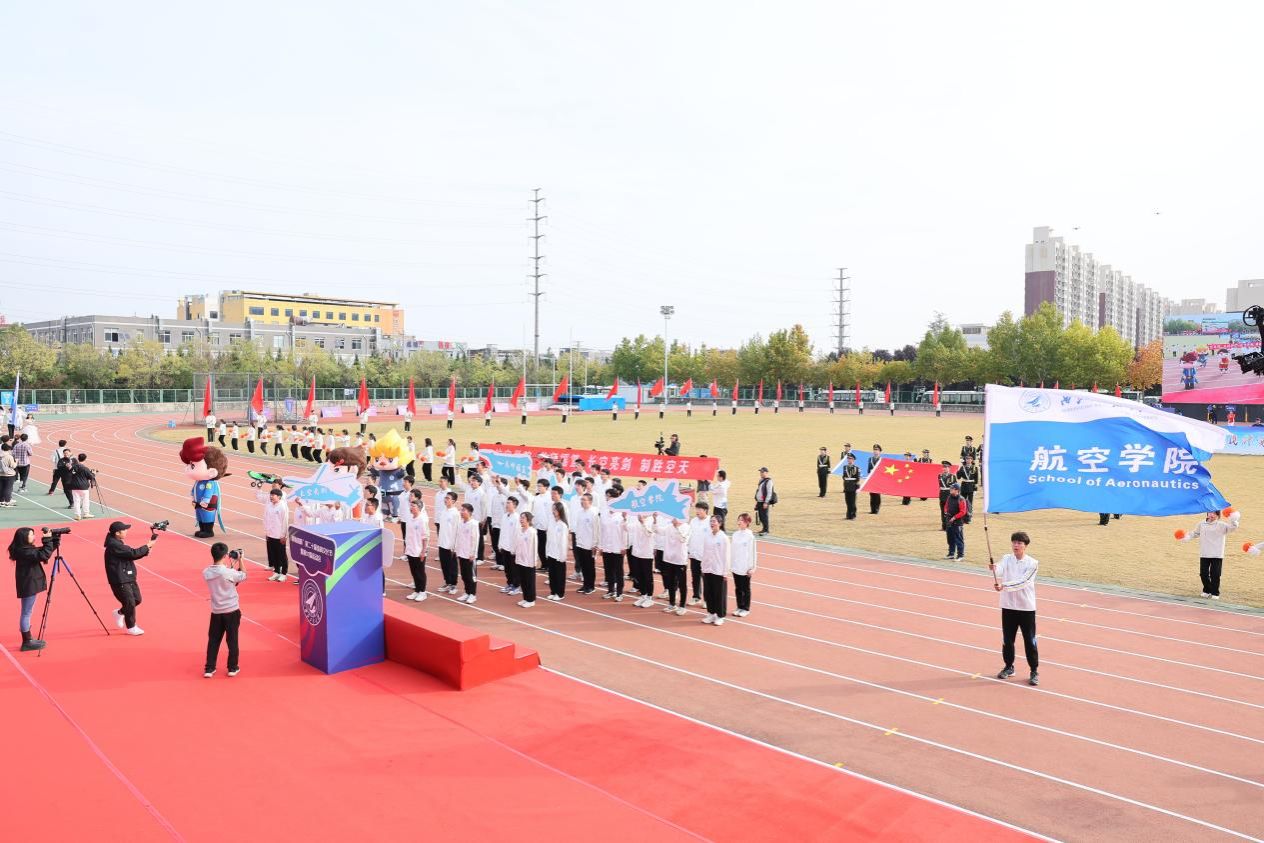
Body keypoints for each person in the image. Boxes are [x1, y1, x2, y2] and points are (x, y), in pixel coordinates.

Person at [992, 531, 1040, 686]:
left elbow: (1023, 582)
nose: (1016, 545)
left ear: (1025, 546)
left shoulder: (1033, 563)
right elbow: (1000, 569)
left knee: (1029, 640)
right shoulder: (1007, 558)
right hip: (1008, 606)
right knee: (1007, 640)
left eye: (1019, 543)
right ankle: (1009, 667)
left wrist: (1003, 585)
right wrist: (994, 568)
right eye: (1014, 542)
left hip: (1026, 608)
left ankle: (1034, 670)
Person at [104, 521, 157, 636]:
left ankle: (119, 613)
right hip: (119, 579)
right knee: (129, 602)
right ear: (117, 533)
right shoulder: (114, 545)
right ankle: (131, 627)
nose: (126, 531)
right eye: (124, 530)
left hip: (128, 576)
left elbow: (130, 555)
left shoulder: (117, 542)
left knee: (137, 600)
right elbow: (132, 553)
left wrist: (146, 550)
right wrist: (147, 546)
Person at [202, 543, 246, 678]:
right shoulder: (228, 572)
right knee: (232, 641)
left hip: (216, 611)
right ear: (225, 555)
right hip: (231, 610)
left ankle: (209, 668)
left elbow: (225, 575)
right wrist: (240, 559)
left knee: (213, 641)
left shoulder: (206, 572)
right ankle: (232, 667)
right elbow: (243, 575)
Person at [10, 527, 55, 651]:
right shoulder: (24, 551)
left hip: (27, 583)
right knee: (26, 612)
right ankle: (26, 641)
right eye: (31, 535)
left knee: (27, 612)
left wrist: (52, 541)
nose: (34, 537)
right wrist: (48, 541)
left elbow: (43, 552)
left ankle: (28, 639)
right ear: (24, 537)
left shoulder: (24, 549)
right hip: (28, 584)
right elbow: (43, 555)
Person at [1180, 509, 1241, 599]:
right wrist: (1186, 536)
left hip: (1217, 554)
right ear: (1207, 513)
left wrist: (1233, 519)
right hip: (1204, 553)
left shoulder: (1221, 525)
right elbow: (1195, 533)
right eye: (1210, 513)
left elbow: (1232, 528)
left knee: (1215, 574)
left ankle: (1215, 593)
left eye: (1214, 513)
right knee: (1203, 574)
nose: (1212, 515)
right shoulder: (1201, 524)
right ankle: (1207, 590)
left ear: (1218, 515)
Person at [700, 515, 730, 626]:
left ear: (720, 523)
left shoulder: (723, 538)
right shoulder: (707, 536)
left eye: (714, 521)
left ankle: (720, 616)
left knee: (719, 594)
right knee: (709, 593)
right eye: (711, 521)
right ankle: (711, 613)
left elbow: (726, 556)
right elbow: (705, 552)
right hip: (708, 569)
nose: (712, 523)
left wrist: (725, 572)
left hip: (719, 570)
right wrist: (703, 566)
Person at [660, 515, 689, 615]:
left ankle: (682, 606)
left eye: (675, 517)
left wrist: (677, 527)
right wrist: (654, 521)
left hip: (680, 560)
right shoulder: (669, 527)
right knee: (671, 583)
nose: (673, 519)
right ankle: (672, 604)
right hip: (669, 559)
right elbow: (658, 531)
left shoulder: (686, 527)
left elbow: (683, 539)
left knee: (682, 584)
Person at [599, 490, 626, 600]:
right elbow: (601, 531)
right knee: (608, 570)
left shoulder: (621, 514)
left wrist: (624, 546)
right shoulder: (604, 513)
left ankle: (619, 592)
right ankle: (610, 590)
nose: (607, 499)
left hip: (618, 547)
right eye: (606, 497)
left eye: (609, 497)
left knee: (618, 571)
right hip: (606, 546)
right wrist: (601, 546)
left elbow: (625, 532)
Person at [259, 487, 289, 582]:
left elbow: (285, 521)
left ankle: (284, 574)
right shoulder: (269, 506)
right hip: (270, 534)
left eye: (273, 495)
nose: (271, 497)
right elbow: (265, 518)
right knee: (274, 554)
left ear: (279, 497)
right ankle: (276, 572)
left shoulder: (283, 506)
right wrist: (267, 532)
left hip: (279, 535)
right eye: (270, 495)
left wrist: (283, 535)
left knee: (282, 555)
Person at [730, 513, 757, 617]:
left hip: (745, 567)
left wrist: (753, 568)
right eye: (739, 519)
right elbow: (732, 551)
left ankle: (746, 608)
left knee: (745, 588)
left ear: (747, 522)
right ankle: (739, 606)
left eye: (742, 520)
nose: (739, 522)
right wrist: (731, 564)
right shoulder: (735, 534)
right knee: (738, 588)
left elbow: (753, 553)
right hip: (736, 566)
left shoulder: (750, 537)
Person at [403, 498, 430, 601]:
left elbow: (425, 537)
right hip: (410, 549)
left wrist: (424, 551)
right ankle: (417, 590)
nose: (411, 508)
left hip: (419, 551)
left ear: (419, 508)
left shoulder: (422, 520)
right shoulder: (410, 518)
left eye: (413, 506)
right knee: (413, 571)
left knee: (420, 572)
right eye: (411, 505)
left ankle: (422, 592)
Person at [572, 493, 599, 594]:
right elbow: (578, 528)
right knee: (583, 565)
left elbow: (596, 530)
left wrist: (595, 544)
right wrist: (577, 541)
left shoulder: (594, 513)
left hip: (590, 545)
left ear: (590, 501)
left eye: (584, 500)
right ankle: (585, 585)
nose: (582, 502)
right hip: (580, 543)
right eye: (581, 500)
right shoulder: (580, 512)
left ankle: (591, 586)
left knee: (590, 566)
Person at [545, 501, 570, 601]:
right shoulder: (551, 522)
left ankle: (560, 593)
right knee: (552, 574)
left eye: (555, 509)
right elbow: (548, 538)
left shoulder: (563, 525)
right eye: (553, 509)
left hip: (559, 555)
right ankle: (553, 591)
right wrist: (547, 551)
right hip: (551, 552)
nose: (553, 511)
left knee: (559, 575)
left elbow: (563, 542)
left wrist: (562, 556)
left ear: (560, 511)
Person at [454, 503, 479, 604]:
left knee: (471, 575)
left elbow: (475, 540)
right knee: (464, 575)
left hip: (469, 555)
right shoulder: (460, 523)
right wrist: (457, 549)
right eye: (461, 510)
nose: (461, 512)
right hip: (461, 553)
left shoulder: (474, 524)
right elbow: (458, 537)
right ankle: (467, 592)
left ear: (469, 512)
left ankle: (472, 594)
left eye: (463, 510)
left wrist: (473, 553)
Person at [628, 514, 656, 607]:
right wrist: (624, 519)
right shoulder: (637, 520)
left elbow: (649, 533)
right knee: (639, 575)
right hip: (637, 552)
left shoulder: (651, 520)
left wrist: (643, 523)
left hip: (646, 553)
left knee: (647, 576)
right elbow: (627, 528)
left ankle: (649, 597)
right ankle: (643, 595)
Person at [687, 501, 710, 605]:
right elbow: (689, 535)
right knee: (695, 577)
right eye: (696, 509)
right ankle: (696, 596)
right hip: (694, 554)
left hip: (705, 556)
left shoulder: (710, 521)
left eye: (699, 509)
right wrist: (688, 549)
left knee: (706, 578)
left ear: (705, 510)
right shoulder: (693, 521)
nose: (697, 511)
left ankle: (707, 599)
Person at [436, 491, 460, 594]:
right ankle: (447, 582)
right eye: (445, 498)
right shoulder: (444, 511)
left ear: (453, 501)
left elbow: (457, 530)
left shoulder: (455, 514)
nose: (445, 500)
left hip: (450, 544)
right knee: (444, 564)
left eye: (448, 498)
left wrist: (454, 545)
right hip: (442, 542)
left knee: (452, 565)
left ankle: (453, 585)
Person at [498, 495, 521, 596]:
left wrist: (514, 548)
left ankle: (516, 586)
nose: (506, 505)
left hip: (512, 548)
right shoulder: (504, 516)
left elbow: (516, 534)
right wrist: (500, 544)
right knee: (507, 568)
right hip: (504, 546)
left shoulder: (517, 517)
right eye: (506, 503)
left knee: (514, 568)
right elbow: (502, 531)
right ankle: (510, 583)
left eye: (509, 503)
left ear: (514, 505)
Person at [515, 511, 538, 607]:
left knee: (529, 581)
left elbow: (534, 547)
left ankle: (531, 600)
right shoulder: (519, 531)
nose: (521, 520)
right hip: (521, 560)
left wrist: (534, 561)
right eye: (520, 518)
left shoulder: (532, 532)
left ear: (528, 520)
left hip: (529, 561)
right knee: (523, 580)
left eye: (523, 518)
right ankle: (525, 598)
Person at [67, 452, 95, 521]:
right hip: (83, 486)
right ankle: (86, 513)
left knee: (76, 501)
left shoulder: (73, 467)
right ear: (85, 459)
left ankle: (78, 515)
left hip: (74, 486)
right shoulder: (85, 468)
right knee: (85, 500)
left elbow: (70, 474)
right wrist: (93, 473)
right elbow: (90, 477)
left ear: (78, 458)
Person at [943, 484, 968, 560]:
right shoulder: (949, 497)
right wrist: (946, 511)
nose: (950, 489)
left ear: (957, 490)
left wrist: (954, 517)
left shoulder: (961, 499)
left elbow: (963, 512)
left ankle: (960, 555)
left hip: (957, 522)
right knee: (950, 538)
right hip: (949, 520)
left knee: (958, 539)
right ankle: (951, 553)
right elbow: (946, 506)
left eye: (952, 489)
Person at [956, 455, 979, 519]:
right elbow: (958, 477)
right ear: (965, 460)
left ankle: (969, 516)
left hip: (971, 486)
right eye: (967, 459)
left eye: (970, 459)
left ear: (972, 460)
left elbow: (976, 479)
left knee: (970, 502)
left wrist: (975, 489)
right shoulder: (962, 468)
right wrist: (958, 470)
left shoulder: (975, 468)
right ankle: (962, 515)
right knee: (962, 501)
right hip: (964, 486)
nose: (968, 460)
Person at [754, 467, 775, 535]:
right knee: (761, 516)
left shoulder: (769, 481)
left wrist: (766, 502)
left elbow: (769, 493)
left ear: (766, 473)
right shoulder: (761, 480)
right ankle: (763, 529)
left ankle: (766, 530)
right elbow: (759, 491)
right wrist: (757, 501)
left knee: (764, 516)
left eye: (762, 472)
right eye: (760, 472)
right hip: (759, 501)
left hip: (764, 502)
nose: (761, 473)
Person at [841, 453, 861, 520]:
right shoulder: (845, 467)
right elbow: (844, 476)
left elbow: (858, 478)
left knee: (852, 502)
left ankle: (853, 515)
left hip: (853, 486)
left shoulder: (856, 468)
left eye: (850, 459)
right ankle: (848, 515)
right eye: (848, 458)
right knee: (847, 501)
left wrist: (857, 487)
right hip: (847, 486)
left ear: (853, 460)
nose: (849, 460)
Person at [937, 460, 956, 530]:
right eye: (944, 467)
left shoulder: (952, 476)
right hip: (942, 495)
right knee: (942, 511)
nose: (944, 469)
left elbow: (955, 487)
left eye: (946, 467)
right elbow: (940, 485)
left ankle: (950, 525)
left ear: (949, 468)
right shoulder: (939, 476)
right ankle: (944, 526)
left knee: (950, 511)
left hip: (949, 495)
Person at [867, 445, 884, 514]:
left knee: (877, 494)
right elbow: (868, 469)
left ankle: (877, 508)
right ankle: (872, 509)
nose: (875, 451)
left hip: (878, 479)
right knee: (871, 494)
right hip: (871, 479)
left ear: (880, 451)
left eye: (877, 450)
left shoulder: (882, 460)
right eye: (874, 450)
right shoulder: (870, 459)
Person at [0, 443, 15, 508]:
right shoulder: (9, 456)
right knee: (8, 488)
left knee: (1, 488)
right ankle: (7, 502)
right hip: (9, 474)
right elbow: (12, 466)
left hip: (0, 474)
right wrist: (16, 462)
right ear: (8, 449)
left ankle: (1, 501)